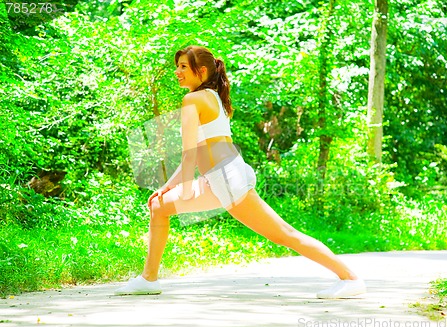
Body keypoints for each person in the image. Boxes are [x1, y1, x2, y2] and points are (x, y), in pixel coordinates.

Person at [115, 45, 366, 299]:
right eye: (176, 65)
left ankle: (350, 278)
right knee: (159, 205)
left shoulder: (193, 99)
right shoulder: (212, 97)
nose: (177, 71)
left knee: (284, 234)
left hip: (225, 179)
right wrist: (168, 187)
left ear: (201, 71)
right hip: (224, 175)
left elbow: (190, 152)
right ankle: (149, 279)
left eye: (183, 66)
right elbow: (197, 152)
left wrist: (187, 189)